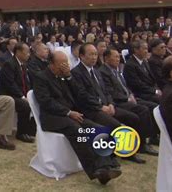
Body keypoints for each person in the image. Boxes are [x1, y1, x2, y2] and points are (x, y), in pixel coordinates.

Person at [33, 51, 122, 185]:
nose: (65, 67)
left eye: (66, 63)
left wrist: (69, 76)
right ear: (51, 64)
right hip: (52, 117)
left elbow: (79, 94)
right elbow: (46, 102)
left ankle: (107, 164)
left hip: (71, 115)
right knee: (79, 132)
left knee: (97, 129)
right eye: (61, 64)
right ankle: (97, 170)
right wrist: (68, 112)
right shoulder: (41, 77)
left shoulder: (64, 76)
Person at [71, 43, 146, 163]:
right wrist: (101, 107)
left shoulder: (96, 72)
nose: (94, 57)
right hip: (91, 110)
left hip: (107, 106)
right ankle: (110, 159)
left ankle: (129, 152)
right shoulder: (76, 73)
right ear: (81, 56)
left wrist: (110, 104)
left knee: (133, 118)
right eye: (91, 54)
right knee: (115, 126)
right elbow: (82, 96)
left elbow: (106, 91)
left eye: (95, 54)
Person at [99, 48, 158, 157]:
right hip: (118, 101)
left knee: (152, 106)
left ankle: (152, 136)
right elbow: (110, 92)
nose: (118, 59)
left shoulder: (116, 70)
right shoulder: (103, 72)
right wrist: (127, 99)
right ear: (106, 58)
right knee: (142, 110)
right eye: (115, 56)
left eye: (119, 56)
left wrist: (130, 94)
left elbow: (125, 86)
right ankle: (142, 144)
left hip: (128, 97)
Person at [0, 43, 36, 143]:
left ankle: (31, 130)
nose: (28, 55)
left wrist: (29, 94)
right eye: (26, 52)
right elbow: (10, 84)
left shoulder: (23, 65)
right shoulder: (9, 64)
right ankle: (21, 133)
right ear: (18, 52)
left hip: (18, 94)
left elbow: (26, 82)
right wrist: (23, 97)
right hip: (7, 95)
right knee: (25, 105)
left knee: (35, 101)